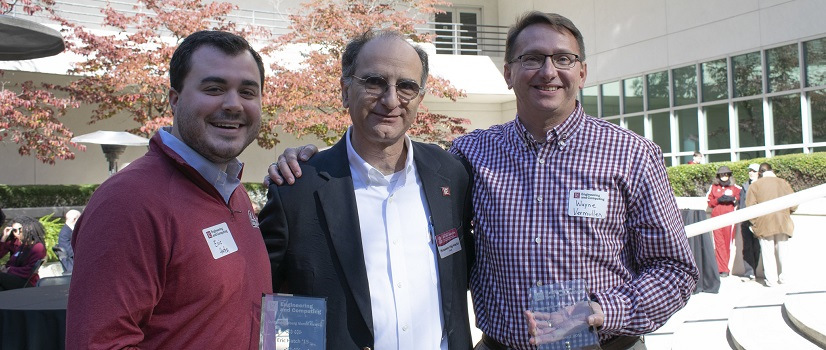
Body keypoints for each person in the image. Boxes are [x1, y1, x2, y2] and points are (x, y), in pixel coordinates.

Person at [268, 12, 698, 350]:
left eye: (563, 59)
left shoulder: (632, 154)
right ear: (508, 73)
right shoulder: (469, 157)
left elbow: (676, 271)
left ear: (581, 73)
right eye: (532, 58)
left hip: (605, 346)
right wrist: (309, 162)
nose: (548, 71)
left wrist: (603, 311)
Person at [258, 30, 474, 350]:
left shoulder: (451, 175)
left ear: (419, 99)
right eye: (374, 82)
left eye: (406, 86)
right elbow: (257, 299)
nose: (391, 100)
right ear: (345, 92)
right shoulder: (297, 190)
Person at [66, 31, 272, 349]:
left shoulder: (232, 191)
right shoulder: (128, 201)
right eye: (214, 89)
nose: (233, 104)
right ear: (174, 99)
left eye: (247, 92)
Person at [746, 163, 796, 287]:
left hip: (764, 223)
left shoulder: (755, 185)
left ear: (759, 173)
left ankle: (771, 280)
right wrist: (786, 213)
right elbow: (794, 203)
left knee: (767, 253)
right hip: (783, 222)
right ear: (772, 170)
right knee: (783, 252)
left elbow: (750, 207)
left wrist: (755, 223)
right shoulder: (783, 182)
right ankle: (784, 278)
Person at [706, 166, 741, 277]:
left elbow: (740, 197)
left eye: (726, 174)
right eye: (722, 174)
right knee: (719, 243)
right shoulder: (713, 187)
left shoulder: (735, 187)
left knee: (727, 243)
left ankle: (725, 268)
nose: (724, 176)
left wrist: (733, 199)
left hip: (729, 218)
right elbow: (709, 202)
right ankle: (722, 269)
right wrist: (718, 200)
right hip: (716, 217)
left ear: (729, 175)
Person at [0, 216, 47, 290]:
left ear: (29, 228)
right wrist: (4, 238)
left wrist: (9, 269)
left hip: (27, 282)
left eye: (20, 229)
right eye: (15, 230)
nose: (18, 233)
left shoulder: (37, 247)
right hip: (11, 278)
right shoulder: (17, 244)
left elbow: (30, 271)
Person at [738, 164, 761, 280]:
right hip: (746, 221)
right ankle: (749, 272)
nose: (751, 173)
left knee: (757, 247)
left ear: (759, 173)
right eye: (750, 171)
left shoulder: (761, 185)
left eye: (754, 171)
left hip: (758, 221)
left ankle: (755, 271)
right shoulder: (745, 186)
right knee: (747, 247)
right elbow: (741, 203)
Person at [54, 209, 80, 274]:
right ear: (74, 219)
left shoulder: (70, 231)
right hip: (72, 264)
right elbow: (70, 252)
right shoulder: (65, 233)